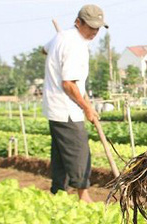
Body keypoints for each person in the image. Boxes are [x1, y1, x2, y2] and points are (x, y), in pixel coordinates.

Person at [42, 4, 108, 203]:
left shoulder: (62, 38)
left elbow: (44, 51)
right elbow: (68, 84)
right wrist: (86, 107)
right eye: (90, 27)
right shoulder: (75, 45)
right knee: (79, 152)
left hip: (54, 108)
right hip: (66, 108)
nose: (94, 32)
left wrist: (56, 52)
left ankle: (57, 192)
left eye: (97, 28)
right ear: (78, 22)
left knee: (61, 154)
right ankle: (83, 196)